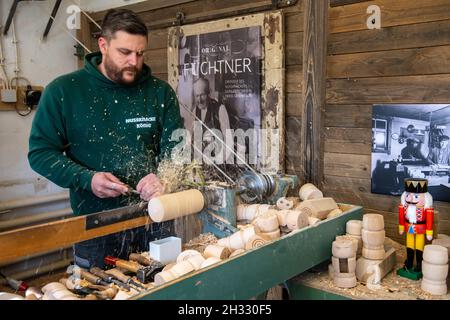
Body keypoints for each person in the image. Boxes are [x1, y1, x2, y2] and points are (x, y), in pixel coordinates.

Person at [28, 9, 182, 268]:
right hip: (95, 226)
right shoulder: (64, 91)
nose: (134, 61)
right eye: (125, 52)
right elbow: (40, 153)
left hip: (155, 218)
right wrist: (87, 179)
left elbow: (178, 153)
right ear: (103, 44)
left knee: (165, 288)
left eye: (140, 53)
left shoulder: (160, 93)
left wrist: (165, 178)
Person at [397, 178, 434, 280]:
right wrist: (401, 227)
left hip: (420, 229)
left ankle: (418, 263)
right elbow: (401, 218)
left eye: (416, 196)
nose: (411, 199)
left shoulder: (427, 209)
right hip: (409, 227)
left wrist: (429, 232)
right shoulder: (404, 207)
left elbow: (430, 220)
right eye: (408, 195)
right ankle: (409, 262)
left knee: (419, 246)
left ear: (426, 198)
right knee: (409, 245)